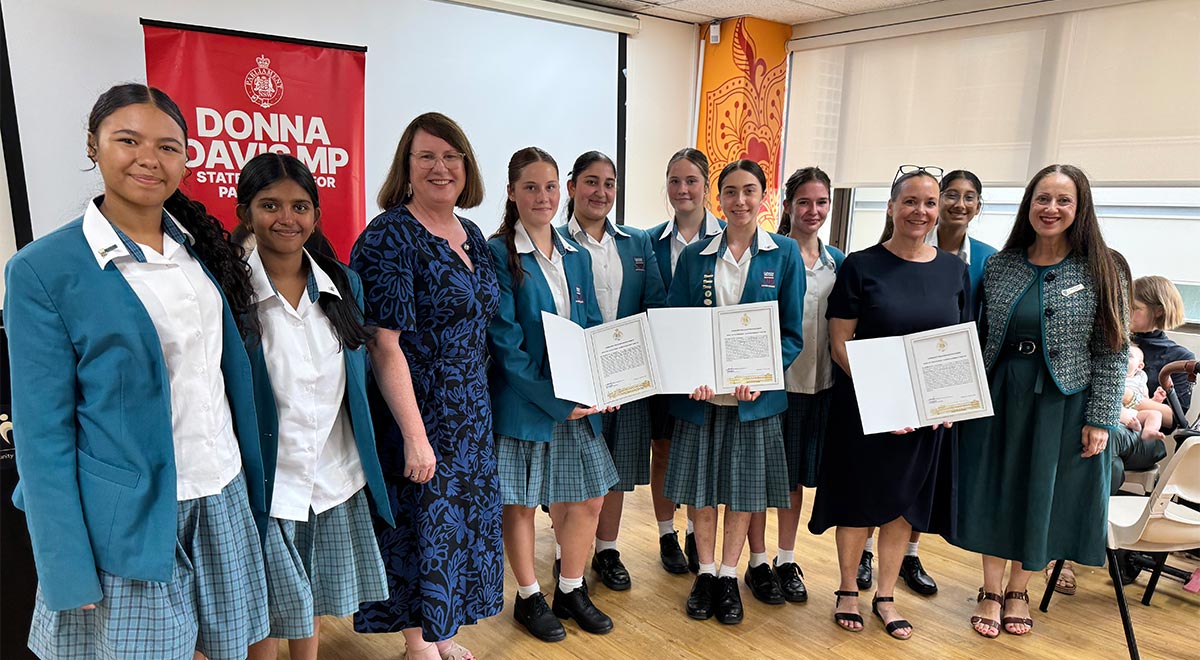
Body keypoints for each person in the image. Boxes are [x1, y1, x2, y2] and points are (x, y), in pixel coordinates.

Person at [4, 83, 268, 659]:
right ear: (94, 147)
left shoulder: (197, 252)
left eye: (169, 146)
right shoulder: (43, 269)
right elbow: (42, 434)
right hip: (127, 520)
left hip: (220, 492)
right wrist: (65, 564)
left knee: (227, 650)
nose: (150, 158)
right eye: (128, 140)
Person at [953, 164, 1129, 639]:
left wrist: (1102, 419)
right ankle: (990, 590)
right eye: (1042, 199)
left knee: (1042, 494)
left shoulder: (1103, 267)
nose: (1050, 209)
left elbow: (1113, 349)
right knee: (998, 487)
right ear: (1028, 205)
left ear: (1079, 208)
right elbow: (979, 334)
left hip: (1064, 400)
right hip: (1001, 393)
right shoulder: (1001, 263)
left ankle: (1019, 589)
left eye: (1062, 200)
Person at [351, 113, 501, 660]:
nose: (441, 168)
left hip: (471, 408)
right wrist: (415, 436)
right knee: (420, 522)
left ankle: (442, 631)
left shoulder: (473, 234)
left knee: (457, 524)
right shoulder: (390, 236)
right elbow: (382, 344)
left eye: (451, 156)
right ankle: (418, 643)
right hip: (418, 407)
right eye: (426, 157)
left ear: (466, 166)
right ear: (406, 168)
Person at [236, 153, 393, 660]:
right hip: (266, 482)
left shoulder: (343, 284)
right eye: (270, 205)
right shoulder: (228, 290)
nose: (287, 218)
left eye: (301, 206)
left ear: (317, 215)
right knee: (262, 607)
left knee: (311, 603)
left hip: (331, 475)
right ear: (245, 213)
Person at [809, 165, 969, 641]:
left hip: (923, 417)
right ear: (892, 208)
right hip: (867, 411)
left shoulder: (954, 270)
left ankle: (885, 595)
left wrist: (945, 402)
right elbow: (840, 344)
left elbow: (957, 345)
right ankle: (845, 590)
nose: (920, 211)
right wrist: (886, 402)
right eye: (910, 201)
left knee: (905, 506)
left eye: (929, 203)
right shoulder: (861, 264)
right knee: (859, 503)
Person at [665, 159, 805, 626]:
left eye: (749, 191)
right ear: (717, 198)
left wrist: (763, 374)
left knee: (743, 493)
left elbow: (791, 335)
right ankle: (704, 573)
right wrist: (690, 374)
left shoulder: (784, 254)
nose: (740, 200)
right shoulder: (695, 257)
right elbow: (679, 327)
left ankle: (729, 575)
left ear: (763, 198)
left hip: (754, 400)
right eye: (730, 192)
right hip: (704, 398)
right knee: (703, 490)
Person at [488, 147, 619, 642]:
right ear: (511, 193)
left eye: (548, 187)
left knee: (589, 498)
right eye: (530, 187)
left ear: (559, 189)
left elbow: (588, 327)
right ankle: (527, 598)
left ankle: (569, 588)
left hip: (579, 400)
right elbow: (505, 345)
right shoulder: (498, 253)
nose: (541, 197)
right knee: (519, 505)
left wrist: (607, 378)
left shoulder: (576, 254)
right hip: (527, 403)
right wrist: (557, 401)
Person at [559, 151, 668, 591]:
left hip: (626, 374)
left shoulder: (636, 242)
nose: (600, 192)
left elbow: (655, 302)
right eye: (590, 181)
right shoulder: (555, 241)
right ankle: (570, 553)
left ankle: (607, 549)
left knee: (618, 464)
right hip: (576, 375)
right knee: (573, 466)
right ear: (572, 188)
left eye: (608, 183)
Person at [744, 167, 843, 606]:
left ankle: (786, 558)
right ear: (786, 206)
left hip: (818, 387)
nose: (813, 210)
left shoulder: (838, 261)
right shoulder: (770, 254)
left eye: (821, 202)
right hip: (771, 388)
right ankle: (757, 562)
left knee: (794, 482)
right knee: (759, 481)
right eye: (804, 202)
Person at [647, 148, 725, 573]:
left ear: (706, 185)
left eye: (691, 180)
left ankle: (700, 534)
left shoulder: (731, 237)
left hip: (712, 373)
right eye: (674, 181)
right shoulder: (650, 241)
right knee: (664, 449)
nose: (682, 189)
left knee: (703, 453)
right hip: (666, 368)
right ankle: (666, 534)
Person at [1132, 275, 1194, 414]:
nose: (1125, 313)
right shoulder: (1111, 341)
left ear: (1159, 311)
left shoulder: (1180, 357)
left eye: (1134, 307)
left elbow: (1175, 417)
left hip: (1143, 429)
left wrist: (1127, 398)